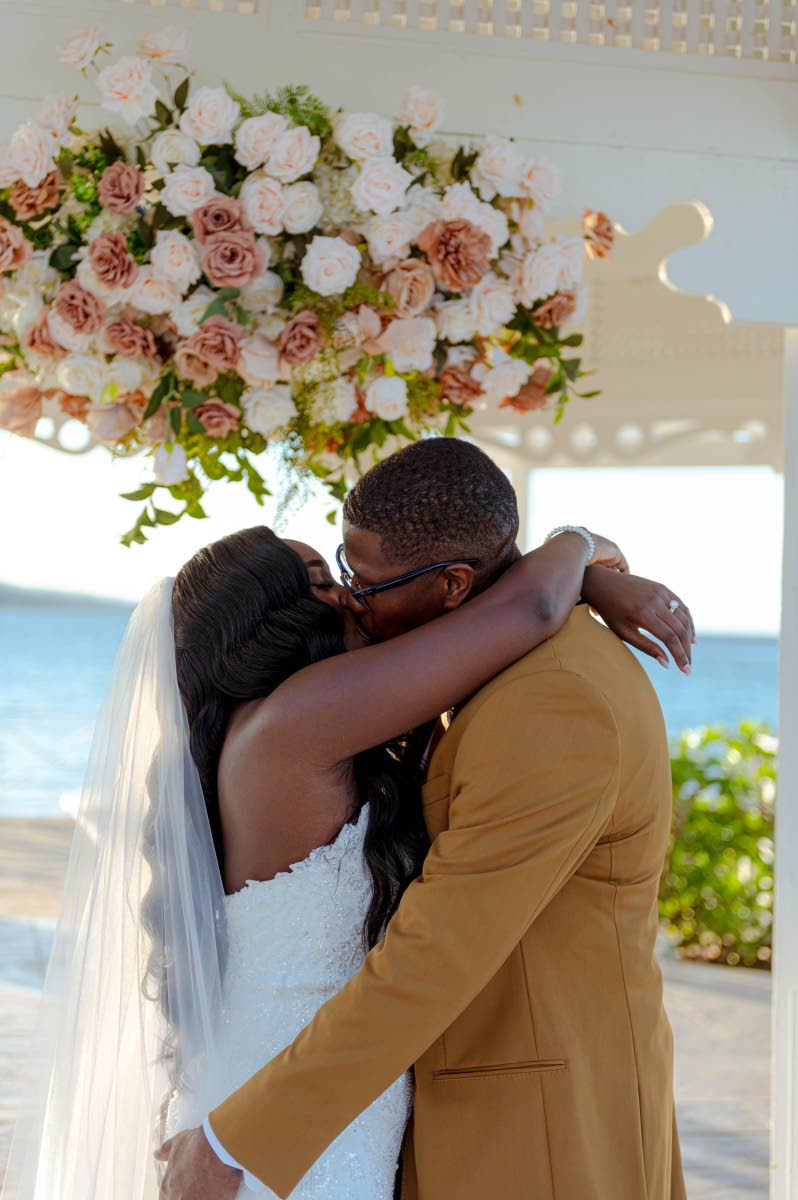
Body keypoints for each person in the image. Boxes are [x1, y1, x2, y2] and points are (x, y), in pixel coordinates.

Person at [155, 439, 690, 1200]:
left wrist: (590, 566)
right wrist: (586, 557)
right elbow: (527, 600)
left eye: (357, 581)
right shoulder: (298, 725)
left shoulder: (550, 693)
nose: (351, 599)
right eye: (332, 580)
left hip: (468, 1107)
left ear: (451, 584)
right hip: (298, 1091)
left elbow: (440, 948)